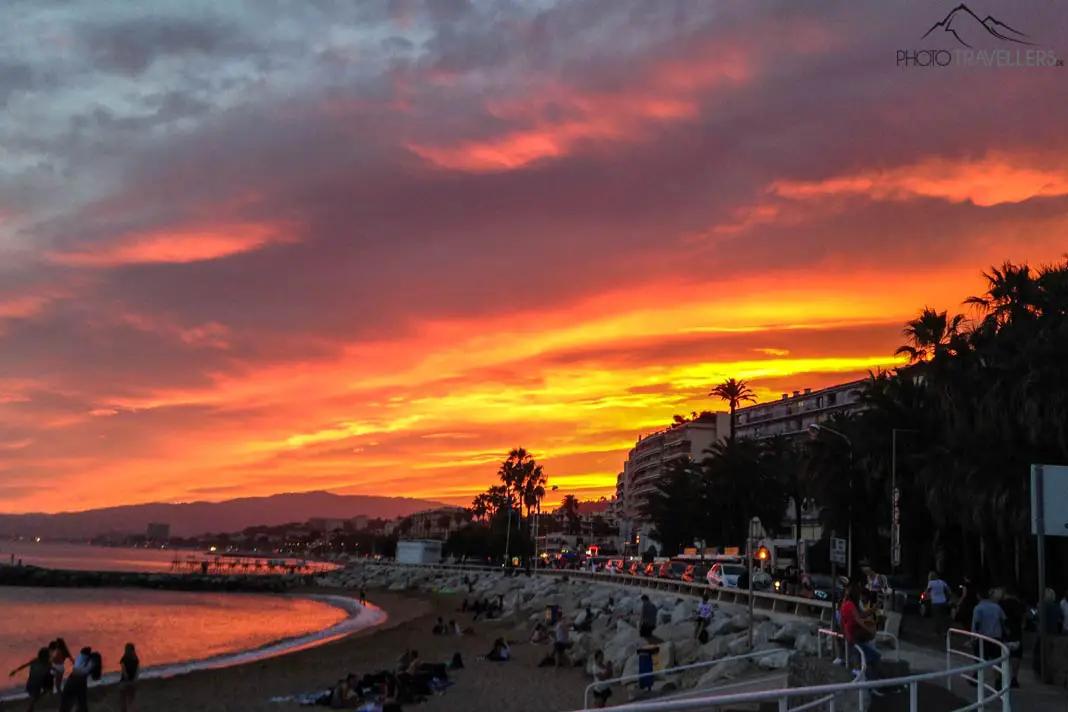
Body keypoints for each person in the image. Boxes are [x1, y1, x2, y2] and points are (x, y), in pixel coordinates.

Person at [840, 580, 887, 693]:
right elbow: (859, 619)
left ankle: (874, 685)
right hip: (854, 638)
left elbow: (861, 615)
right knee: (873, 658)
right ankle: (875, 686)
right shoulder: (850, 605)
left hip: (852, 638)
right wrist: (870, 630)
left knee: (869, 659)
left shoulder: (847, 603)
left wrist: (874, 608)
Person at [997, 587, 1025, 688]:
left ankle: (999, 678)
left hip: (1004, 633)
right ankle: (1014, 677)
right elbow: (1023, 619)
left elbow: (1000, 618)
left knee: (1001, 656)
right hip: (1017, 633)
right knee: (1016, 656)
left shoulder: (1001, 604)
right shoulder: (1020, 604)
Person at [9, 647, 51, 712]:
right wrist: (15, 671)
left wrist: (15, 671)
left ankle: (30, 706)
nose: (49, 656)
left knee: (35, 698)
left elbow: (24, 666)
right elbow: (47, 674)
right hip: (34, 684)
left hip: (35, 683)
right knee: (35, 698)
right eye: (48, 655)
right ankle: (30, 707)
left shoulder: (41, 662)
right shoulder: (43, 663)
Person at [971, 586, 1005, 663]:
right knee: (997, 661)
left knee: (979, 660)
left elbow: (977, 623)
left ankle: (978, 674)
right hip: (996, 637)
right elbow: (1003, 621)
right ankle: (997, 674)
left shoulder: (978, 608)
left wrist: (974, 637)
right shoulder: (997, 607)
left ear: (978, 596)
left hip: (982, 637)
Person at [59, 647, 93, 712]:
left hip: (73, 680)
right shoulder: (88, 660)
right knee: (82, 703)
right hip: (80, 681)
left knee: (65, 702)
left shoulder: (79, 658)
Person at [926, 571, 953, 637]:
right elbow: (949, 591)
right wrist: (948, 598)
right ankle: (945, 632)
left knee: (936, 618)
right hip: (943, 601)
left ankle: (936, 632)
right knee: (944, 617)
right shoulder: (942, 582)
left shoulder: (931, 583)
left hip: (935, 603)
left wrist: (926, 597)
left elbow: (927, 591)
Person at [119, 642, 139, 712]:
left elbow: (124, 671)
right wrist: (135, 680)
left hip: (124, 681)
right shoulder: (136, 659)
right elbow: (137, 671)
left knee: (123, 700)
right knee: (131, 700)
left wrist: (127, 679)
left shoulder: (123, 659)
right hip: (133, 681)